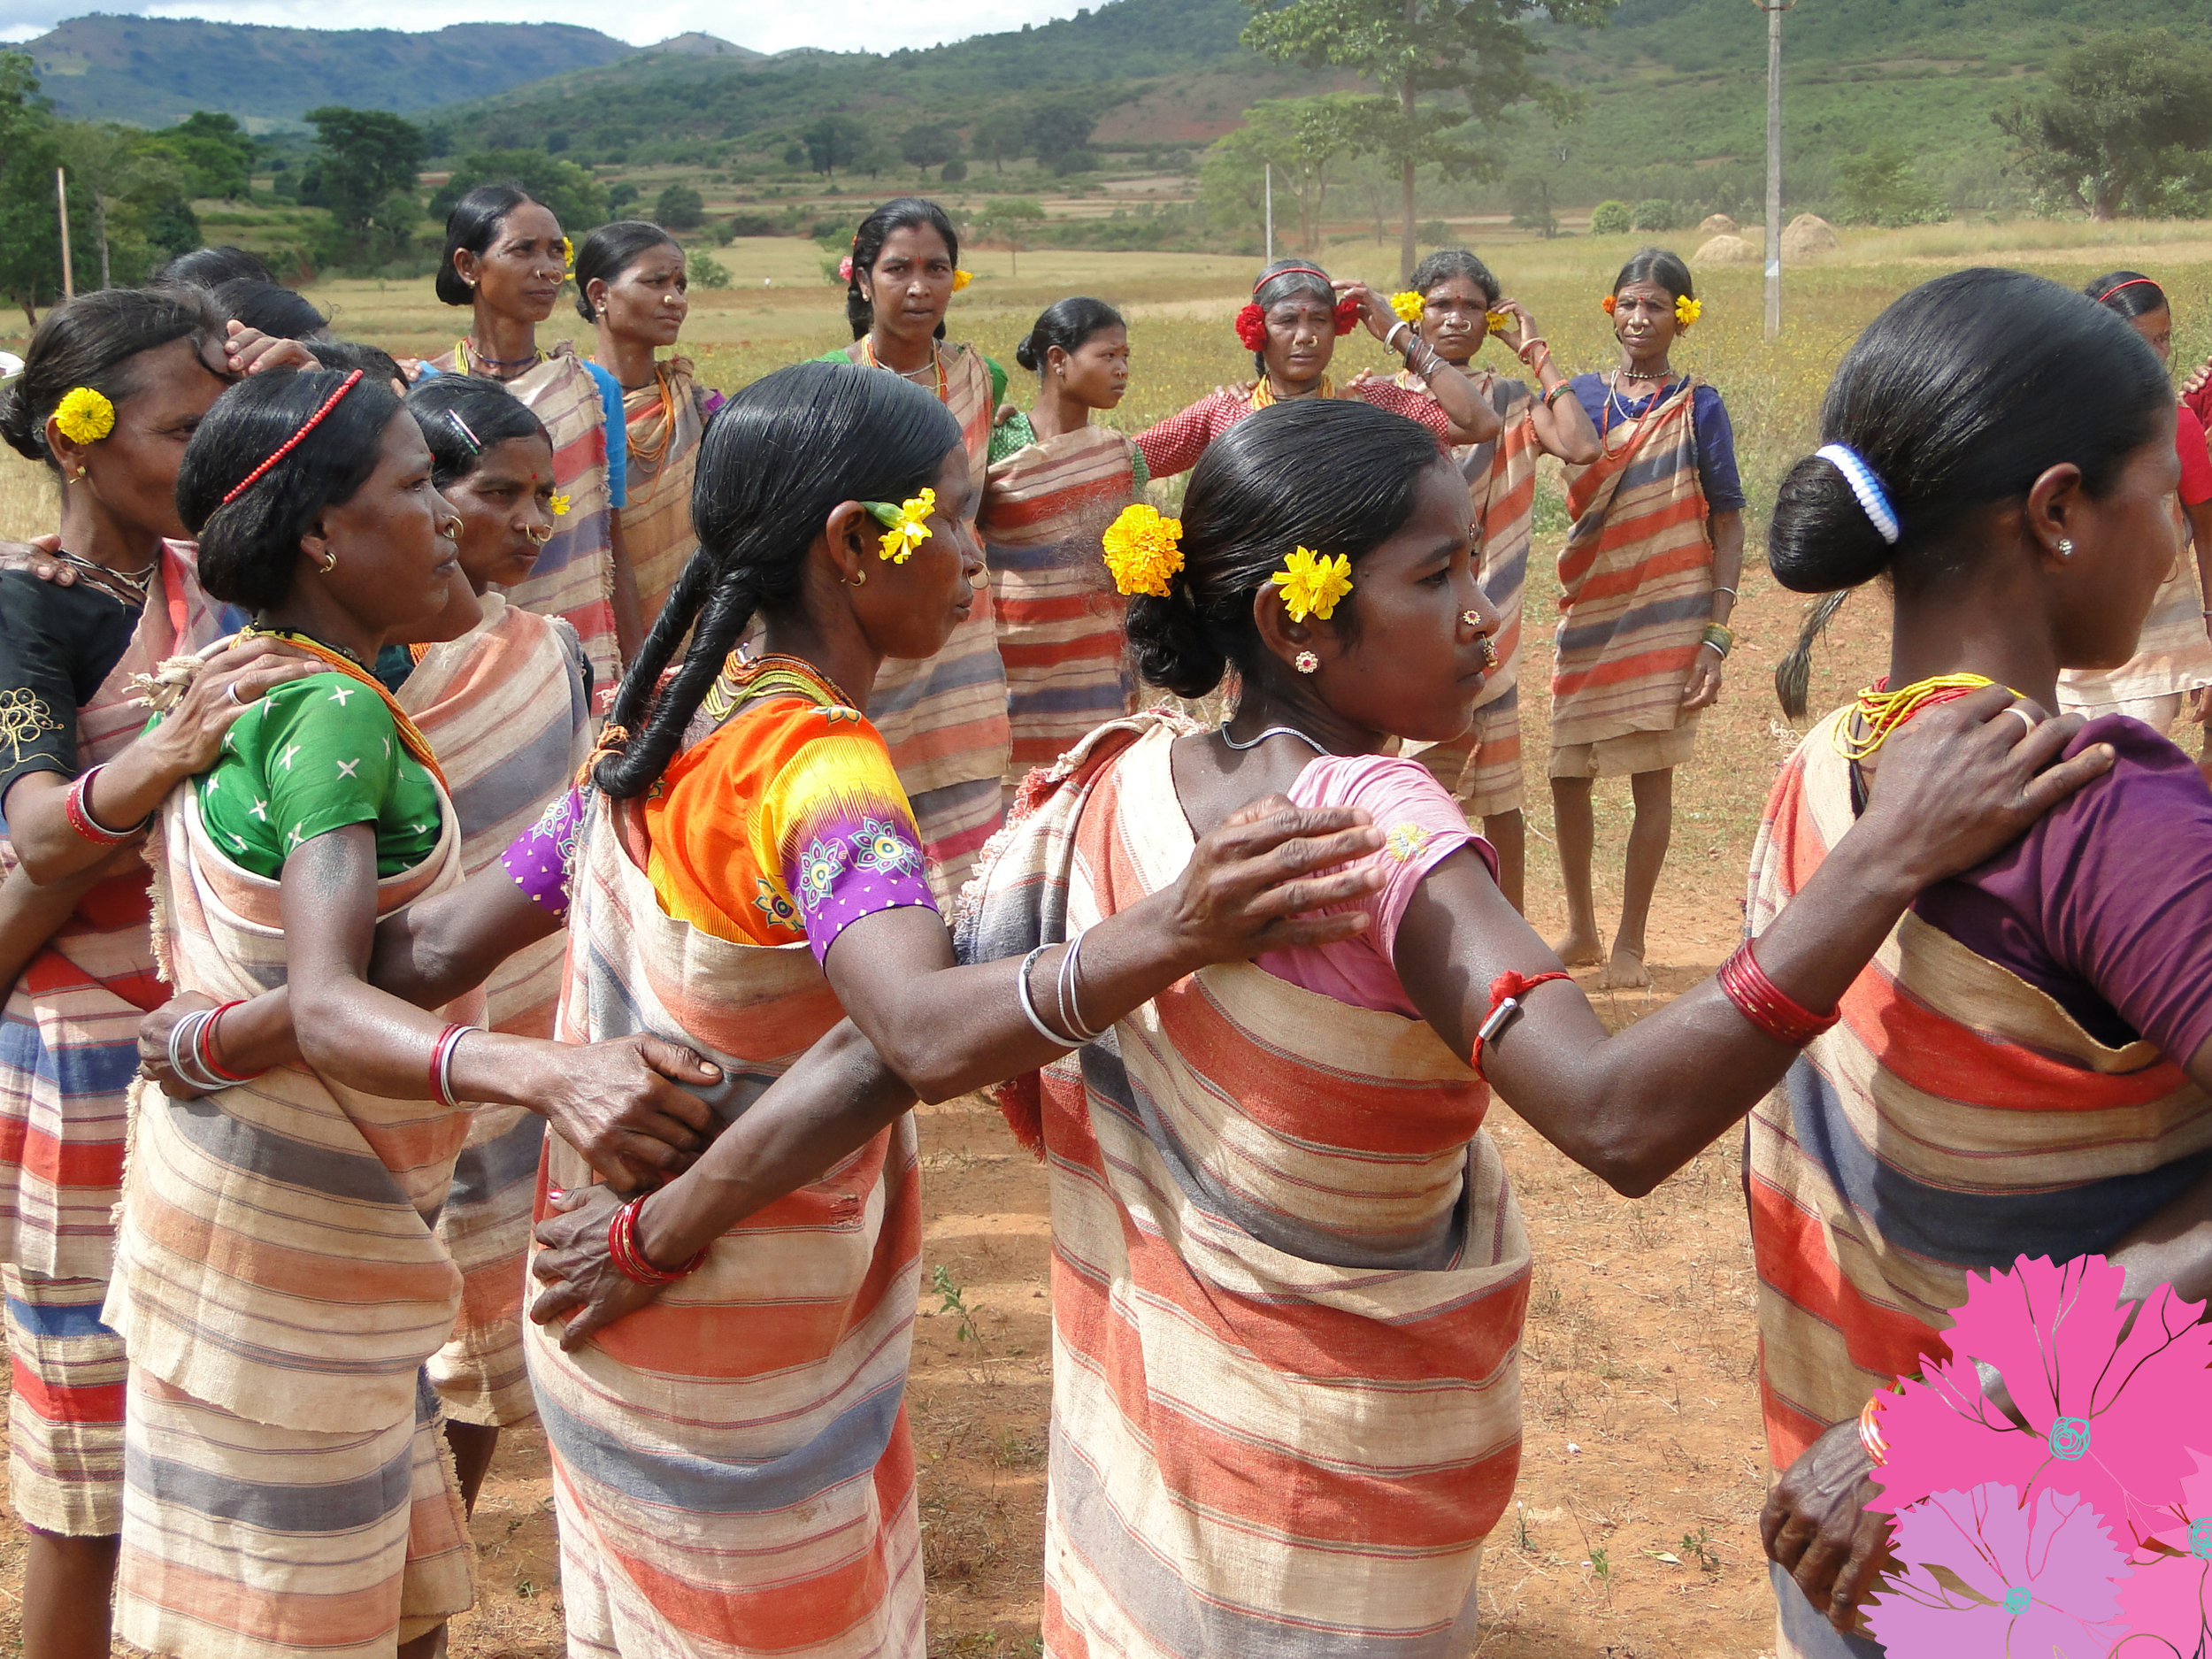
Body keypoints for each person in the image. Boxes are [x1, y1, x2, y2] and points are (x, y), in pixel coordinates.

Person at [532, 394, 2107, 1659]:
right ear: (1299, 625)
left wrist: (662, 1227)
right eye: (1438, 578)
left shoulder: (1107, 789)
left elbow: (894, 1041)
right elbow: (1620, 1118)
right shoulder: (1368, 833)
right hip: (1320, 1515)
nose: (1486, 616)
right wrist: (1883, 862)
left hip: (1137, 1486)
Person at [367, 358, 1388, 1658]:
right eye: (952, 517)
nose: (973, 555)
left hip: (607, 1322)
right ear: (856, 542)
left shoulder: (665, 730)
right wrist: (1167, 930)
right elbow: (913, 1031)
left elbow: (432, 944)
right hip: (725, 1332)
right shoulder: (821, 770)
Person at [100, 366, 716, 1659]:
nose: (446, 516)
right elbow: (327, 1000)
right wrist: (549, 1076)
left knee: (348, 1590)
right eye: (411, 485)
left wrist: (211, 1035)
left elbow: (395, 954)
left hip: (244, 1218)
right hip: (282, 1243)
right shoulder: (330, 710)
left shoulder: (246, 676)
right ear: (322, 532)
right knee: (294, 1606)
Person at [1755, 267, 2212, 1659]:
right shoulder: (2097, 814)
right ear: (2061, 510)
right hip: (2063, 1547)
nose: (2178, 547)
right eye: (2162, 497)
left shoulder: (1826, 770)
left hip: (1842, 1530)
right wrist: (1974, 1404)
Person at [0, 288, 316, 1659]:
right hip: (85, 1059)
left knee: (215, 1431)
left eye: (212, 427)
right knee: (89, 1474)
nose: (199, 460)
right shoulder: (29, 607)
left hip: (211, 1036)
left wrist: (295, 385)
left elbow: (371, 520)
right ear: (78, 440)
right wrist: (164, 748)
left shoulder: (221, 573)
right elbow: (28, 823)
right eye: (178, 429)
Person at [395, 374, 592, 1505]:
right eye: (497, 492)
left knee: (492, 1305)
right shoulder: (371, 666)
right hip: (409, 1025)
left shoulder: (547, 647)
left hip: (530, 1024)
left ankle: (441, 1537)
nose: (528, 521)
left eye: (544, 496)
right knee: (411, 1312)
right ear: (425, 497)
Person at [1553, 247, 1746, 987]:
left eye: (1657, 306)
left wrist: (1716, 635)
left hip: (1670, 611)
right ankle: (1580, 928)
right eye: (1629, 303)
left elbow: (1727, 521)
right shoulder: (1578, 396)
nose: (1640, 318)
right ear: (1612, 309)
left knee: (1651, 780)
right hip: (1591, 607)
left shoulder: (1699, 405)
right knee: (1567, 772)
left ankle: (1631, 940)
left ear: (1681, 318)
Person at [1384, 249, 1598, 910]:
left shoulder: (1507, 400)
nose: (1456, 318)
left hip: (1486, 614)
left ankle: (1513, 925)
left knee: (1501, 789)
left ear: (1490, 317)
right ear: (1414, 314)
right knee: (1407, 781)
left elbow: (1582, 446)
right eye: (1441, 304)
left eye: (1472, 306)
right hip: (1409, 618)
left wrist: (1534, 348)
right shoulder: (1387, 399)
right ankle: (1415, 922)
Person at [818, 196, 1011, 902]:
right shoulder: (830, 384)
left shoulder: (981, 378)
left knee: (972, 865)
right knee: (868, 825)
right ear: (862, 279)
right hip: (870, 641)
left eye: (937, 269)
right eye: (898, 268)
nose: (919, 287)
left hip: (962, 638)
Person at [425, 181, 640, 682]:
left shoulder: (591, 389)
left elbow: (611, 545)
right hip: (461, 654)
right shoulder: (429, 390)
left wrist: (638, 677)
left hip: (582, 652)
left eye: (556, 252)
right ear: (468, 266)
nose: (549, 269)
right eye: (523, 250)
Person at [1132, 257, 1503, 481]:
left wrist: (1400, 335)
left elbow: (1480, 424)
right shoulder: (1224, 412)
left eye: (1320, 321)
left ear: (1338, 327)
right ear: (1257, 329)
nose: (1305, 336)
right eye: (1287, 321)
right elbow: (1126, 464)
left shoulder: (1373, 406)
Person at [983, 297, 1146, 784]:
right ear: (1057, 360)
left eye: (1125, 358)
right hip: (1013, 666)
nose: (1121, 370)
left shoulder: (1120, 454)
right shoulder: (998, 441)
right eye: (1107, 356)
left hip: (1097, 668)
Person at [2053, 273, 2212, 754]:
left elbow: (2206, 532)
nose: (2156, 355)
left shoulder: (2177, 423)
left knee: (2113, 765)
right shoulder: (2047, 426)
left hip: (2154, 649)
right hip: (2062, 650)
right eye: (2139, 342)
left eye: (2163, 339)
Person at [579, 220, 723, 634]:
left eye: (680, 285)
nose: (674, 299)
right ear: (599, 295)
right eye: (656, 281)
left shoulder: (702, 406)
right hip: (600, 634)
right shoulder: (570, 409)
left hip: (702, 639)